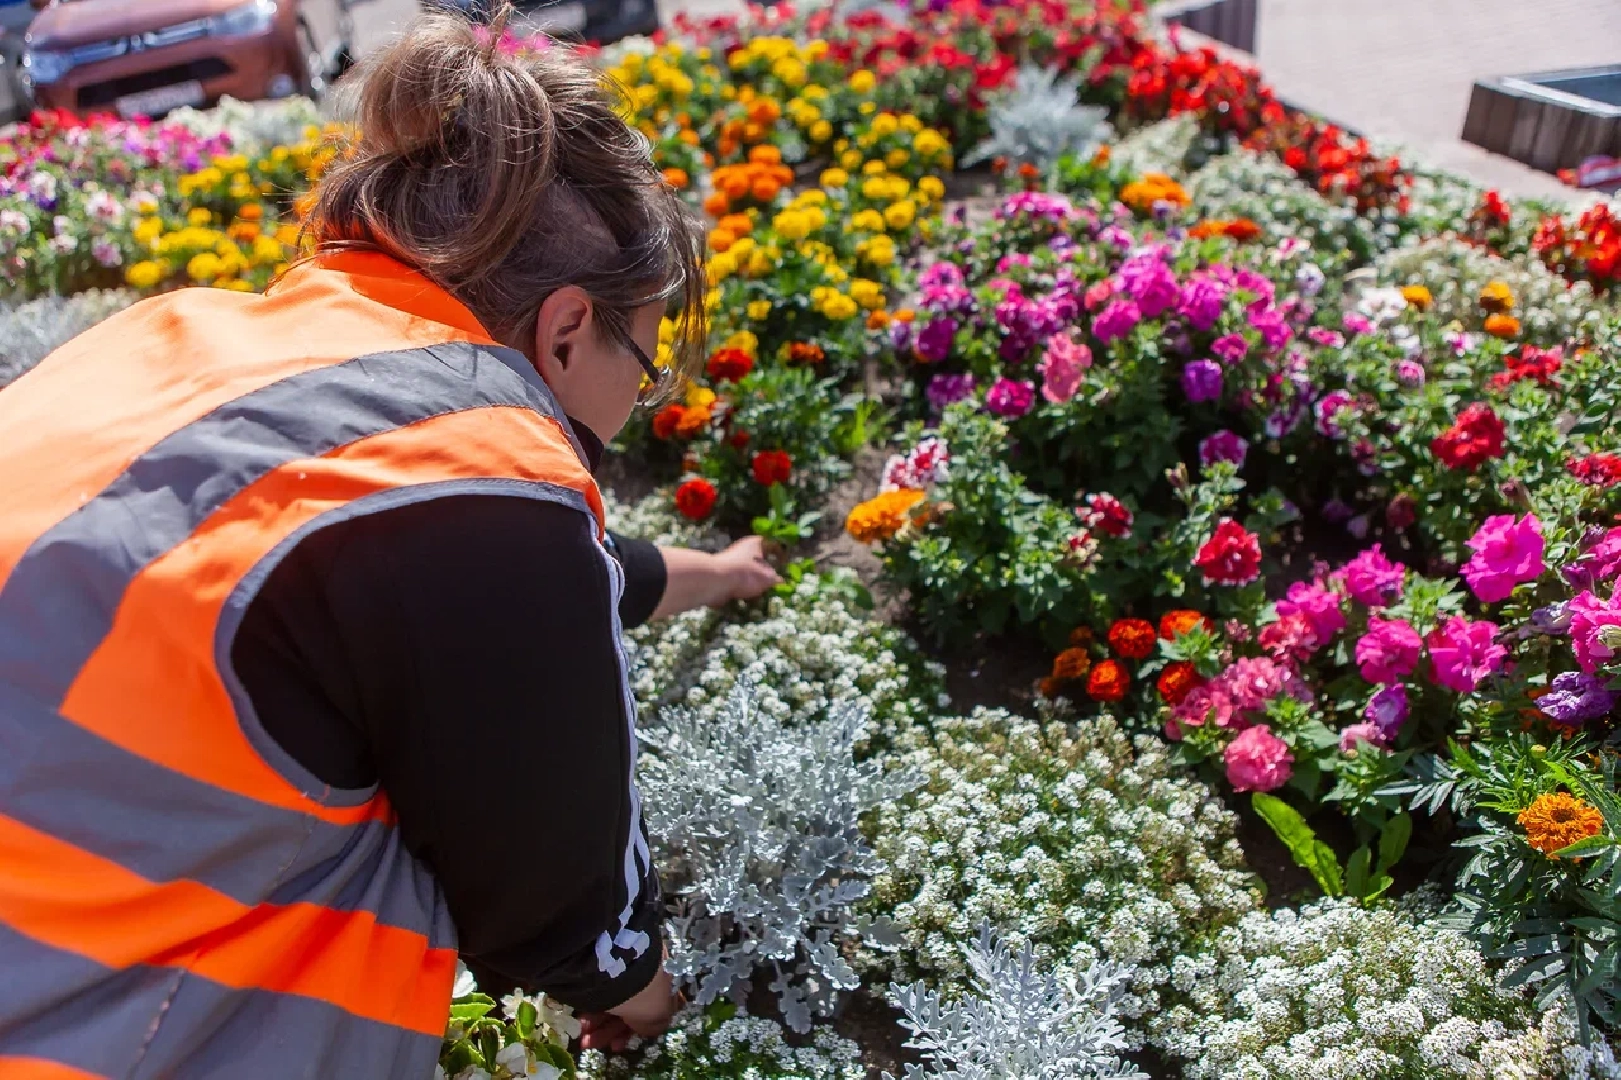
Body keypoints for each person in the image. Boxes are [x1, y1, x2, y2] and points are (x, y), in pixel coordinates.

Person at [0, 11, 781, 1079]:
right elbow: (557, 904)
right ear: (563, 332)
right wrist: (645, 1001)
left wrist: (722, 575)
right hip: (65, 1028)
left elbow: (505, 579)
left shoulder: (211, 341)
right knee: (405, 845)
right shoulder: (481, 470)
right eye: (638, 368)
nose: (631, 410)